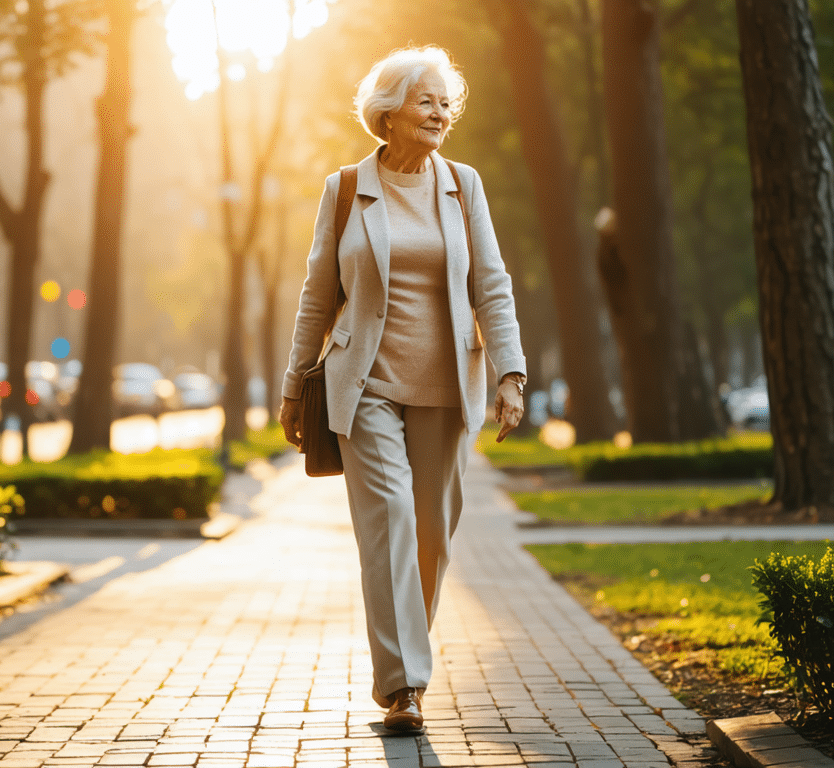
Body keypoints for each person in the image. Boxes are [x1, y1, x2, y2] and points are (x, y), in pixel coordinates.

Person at [278, 46, 527, 733]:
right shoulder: (345, 189)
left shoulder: (463, 185)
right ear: (388, 113)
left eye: (447, 103)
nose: (442, 113)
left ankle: (405, 656)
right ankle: (404, 686)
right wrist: (295, 387)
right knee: (389, 519)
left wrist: (509, 372)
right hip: (366, 386)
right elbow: (317, 297)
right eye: (427, 101)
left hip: (447, 385)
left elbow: (491, 285)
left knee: (432, 537)